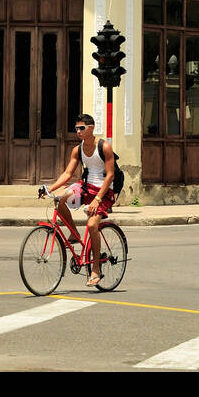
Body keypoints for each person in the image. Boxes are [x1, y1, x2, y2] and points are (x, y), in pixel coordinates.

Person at [43, 113, 116, 287]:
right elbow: (68, 173)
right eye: (76, 128)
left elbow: (111, 175)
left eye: (81, 128)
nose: (78, 131)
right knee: (59, 201)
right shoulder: (78, 149)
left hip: (104, 192)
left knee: (92, 225)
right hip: (85, 187)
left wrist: (97, 199)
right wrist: (50, 189)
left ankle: (96, 268)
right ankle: (75, 235)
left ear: (91, 128)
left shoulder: (104, 146)